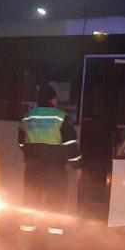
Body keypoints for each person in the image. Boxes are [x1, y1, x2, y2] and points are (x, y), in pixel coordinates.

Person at [19, 84, 79, 212]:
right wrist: (77, 164)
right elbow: (70, 144)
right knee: (55, 202)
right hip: (55, 168)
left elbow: (21, 143)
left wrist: (31, 155)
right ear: (52, 100)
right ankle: (54, 230)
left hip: (33, 168)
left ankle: (27, 230)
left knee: (31, 202)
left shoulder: (28, 117)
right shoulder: (60, 117)